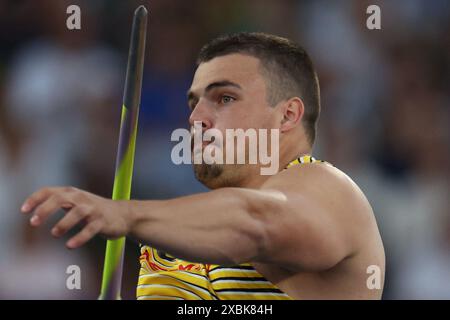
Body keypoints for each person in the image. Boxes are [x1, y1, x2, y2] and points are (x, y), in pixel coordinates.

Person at [21, 32, 385, 300]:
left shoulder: (329, 191)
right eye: (194, 102)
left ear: (287, 115)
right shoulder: (192, 230)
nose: (196, 118)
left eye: (224, 98)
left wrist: (126, 215)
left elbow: (256, 223)